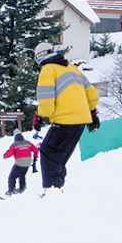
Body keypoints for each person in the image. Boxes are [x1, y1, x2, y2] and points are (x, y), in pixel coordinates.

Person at [34, 44, 99, 194]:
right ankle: (57, 189)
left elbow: (45, 98)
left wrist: (41, 115)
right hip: (80, 121)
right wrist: (93, 114)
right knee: (59, 157)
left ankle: (52, 191)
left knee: (47, 153)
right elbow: (92, 94)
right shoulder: (73, 69)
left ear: (39, 56)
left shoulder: (48, 69)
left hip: (65, 121)